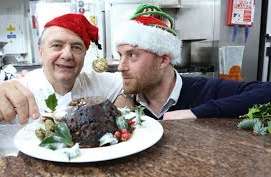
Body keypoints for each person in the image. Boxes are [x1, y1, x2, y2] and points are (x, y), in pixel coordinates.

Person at [0, 14, 131, 126]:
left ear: (84, 55)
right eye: (57, 45)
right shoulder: (20, 88)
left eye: (76, 48)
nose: (67, 55)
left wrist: (124, 101)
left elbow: (131, 82)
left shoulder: (97, 81)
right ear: (41, 52)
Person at [115, 3, 271, 120]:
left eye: (132, 55)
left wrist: (195, 113)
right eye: (120, 55)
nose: (121, 67)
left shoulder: (204, 91)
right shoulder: (130, 102)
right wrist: (125, 97)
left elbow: (267, 92)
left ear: (163, 60)